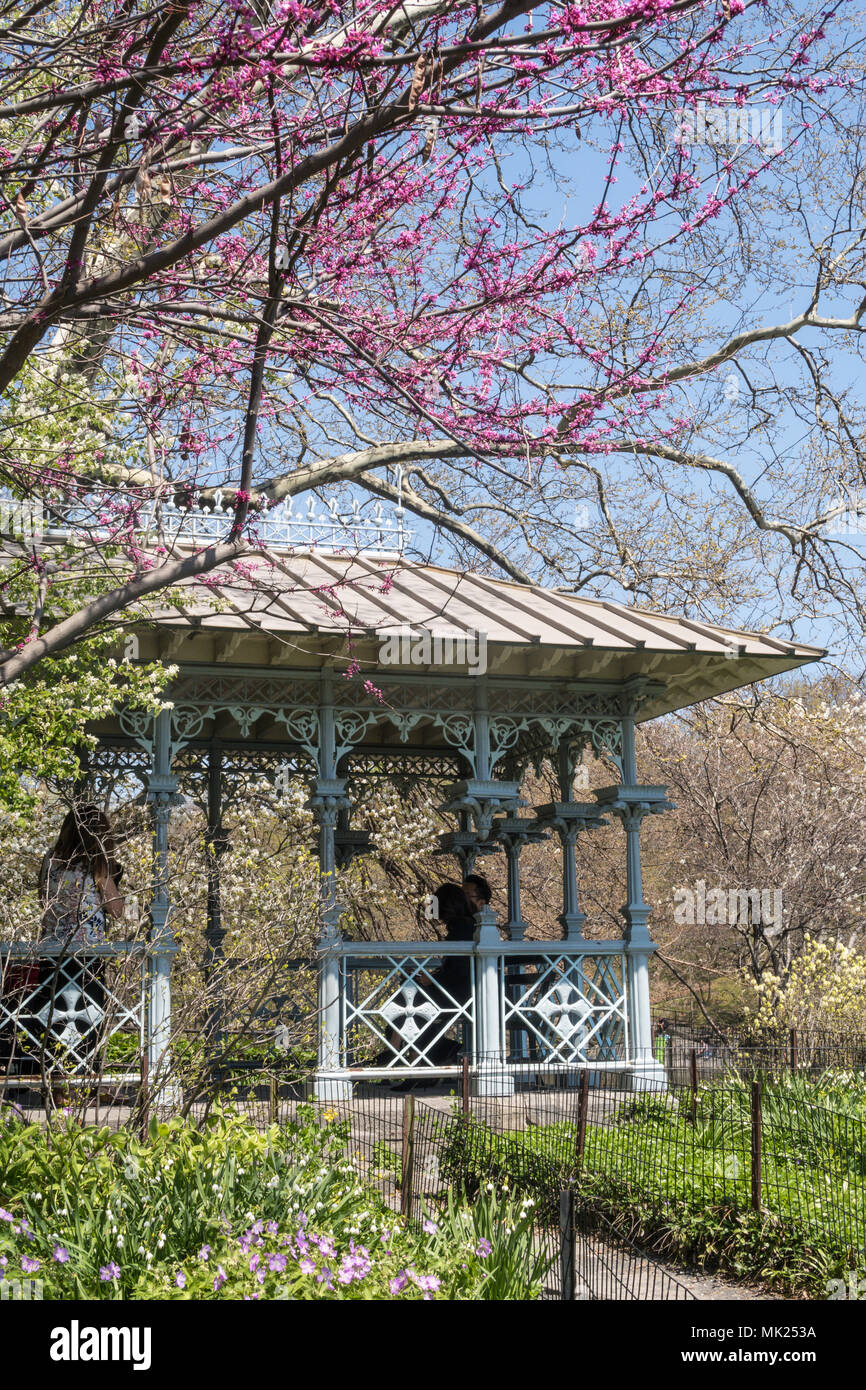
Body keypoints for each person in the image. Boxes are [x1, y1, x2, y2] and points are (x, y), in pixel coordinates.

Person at [36, 805, 125, 1100]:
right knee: (90, 1016)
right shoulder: (95, 864)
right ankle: (94, 1083)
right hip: (86, 953)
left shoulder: (51, 861)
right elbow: (117, 910)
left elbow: (43, 900)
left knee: (57, 1017)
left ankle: (59, 1088)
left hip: (52, 951)